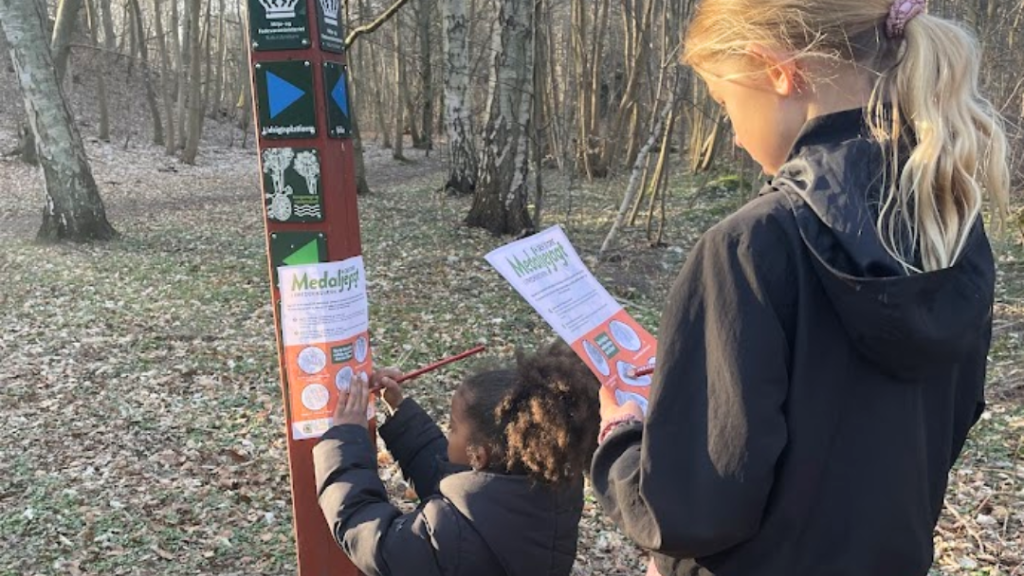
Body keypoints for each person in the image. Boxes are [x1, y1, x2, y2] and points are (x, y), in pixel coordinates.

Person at [590, 0, 1010, 575]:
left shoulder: (751, 248)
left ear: (778, 72)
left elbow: (692, 511)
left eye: (724, 103)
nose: (733, 135)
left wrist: (621, 437)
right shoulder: (952, 227)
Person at [313, 341, 602, 576]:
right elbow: (458, 483)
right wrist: (399, 412)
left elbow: (374, 540)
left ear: (478, 454)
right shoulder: (554, 486)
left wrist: (347, 439)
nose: (448, 434)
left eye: (452, 428)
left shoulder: (452, 536)